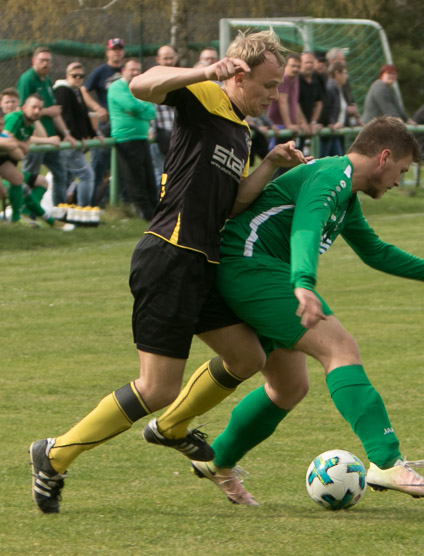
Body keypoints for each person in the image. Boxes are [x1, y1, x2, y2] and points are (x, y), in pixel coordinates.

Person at [29, 29, 308, 514]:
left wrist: (269, 164)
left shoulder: (240, 131)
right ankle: (53, 455)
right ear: (237, 74)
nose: (273, 95)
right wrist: (205, 71)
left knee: (247, 358)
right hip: (169, 255)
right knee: (157, 387)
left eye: (277, 85)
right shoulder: (205, 96)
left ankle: (172, 427)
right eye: (267, 85)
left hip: (202, 262)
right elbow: (141, 83)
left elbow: (232, 202)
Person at [182, 117, 424, 505]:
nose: (398, 181)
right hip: (251, 267)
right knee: (340, 349)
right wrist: (303, 282)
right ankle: (387, 462)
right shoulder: (331, 176)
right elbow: (306, 227)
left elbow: (375, 251)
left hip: (258, 270)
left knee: (289, 386)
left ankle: (217, 460)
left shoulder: (346, 194)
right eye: (402, 170)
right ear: (384, 157)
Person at [4, 93, 73, 230]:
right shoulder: (15, 117)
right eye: (33, 107)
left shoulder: (28, 124)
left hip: (8, 166)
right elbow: (6, 136)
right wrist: (21, 145)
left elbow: (32, 138)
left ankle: (25, 214)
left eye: (40, 109)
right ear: (24, 107)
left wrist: (46, 139)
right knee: (22, 186)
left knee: (42, 182)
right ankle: (48, 221)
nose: (36, 111)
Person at [18, 47, 75, 207]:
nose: (45, 64)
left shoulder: (47, 80)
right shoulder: (27, 79)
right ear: (33, 61)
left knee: (61, 173)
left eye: (48, 61)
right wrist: (47, 111)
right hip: (35, 139)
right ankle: (25, 209)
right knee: (30, 178)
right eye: (42, 60)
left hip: (51, 139)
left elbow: (55, 112)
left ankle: (59, 209)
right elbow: (23, 109)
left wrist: (66, 133)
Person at [108, 58, 157, 220]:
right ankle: (144, 213)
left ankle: (155, 212)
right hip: (126, 139)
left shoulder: (141, 87)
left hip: (142, 137)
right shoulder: (117, 87)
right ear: (123, 71)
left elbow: (152, 112)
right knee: (135, 178)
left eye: (138, 70)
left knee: (149, 177)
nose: (135, 73)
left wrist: (137, 109)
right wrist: (140, 106)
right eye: (132, 70)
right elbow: (132, 106)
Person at [83, 38, 126, 204]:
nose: (117, 52)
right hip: (107, 123)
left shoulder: (128, 70)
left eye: (119, 49)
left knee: (122, 165)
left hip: (124, 123)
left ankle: (117, 203)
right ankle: (91, 203)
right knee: (99, 164)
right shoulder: (101, 71)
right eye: (114, 49)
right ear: (108, 52)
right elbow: (84, 90)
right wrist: (97, 108)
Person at [53, 62, 97, 207]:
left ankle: (62, 209)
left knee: (66, 177)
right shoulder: (63, 91)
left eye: (81, 76)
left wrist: (93, 134)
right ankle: (84, 209)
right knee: (86, 175)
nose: (78, 78)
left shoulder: (77, 91)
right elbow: (66, 117)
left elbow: (83, 116)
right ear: (67, 76)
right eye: (74, 75)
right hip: (67, 141)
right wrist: (75, 136)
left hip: (75, 142)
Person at [149, 46, 179, 189]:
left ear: (176, 58)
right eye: (165, 58)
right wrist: (151, 130)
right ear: (158, 59)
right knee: (161, 174)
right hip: (161, 136)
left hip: (178, 136)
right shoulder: (152, 79)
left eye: (171, 58)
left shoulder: (181, 78)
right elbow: (148, 107)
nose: (168, 61)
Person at [267, 54, 311, 145]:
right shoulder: (284, 78)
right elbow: (282, 102)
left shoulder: (296, 79)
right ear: (285, 66)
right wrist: (288, 125)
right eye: (293, 66)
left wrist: (303, 122)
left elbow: (295, 103)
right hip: (278, 126)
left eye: (298, 66)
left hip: (290, 127)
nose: (295, 69)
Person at [318, 60, 352, 157]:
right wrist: (331, 122)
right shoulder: (330, 88)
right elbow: (326, 108)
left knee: (338, 159)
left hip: (333, 133)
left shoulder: (339, 88)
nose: (346, 76)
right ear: (337, 73)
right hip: (328, 132)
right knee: (323, 160)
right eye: (344, 73)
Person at [297, 52, 326, 150]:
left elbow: (319, 103)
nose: (309, 65)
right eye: (306, 63)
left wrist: (312, 122)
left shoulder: (316, 79)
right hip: (296, 125)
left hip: (309, 127)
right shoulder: (296, 80)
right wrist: (303, 122)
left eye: (311, 63)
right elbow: (294, 103)